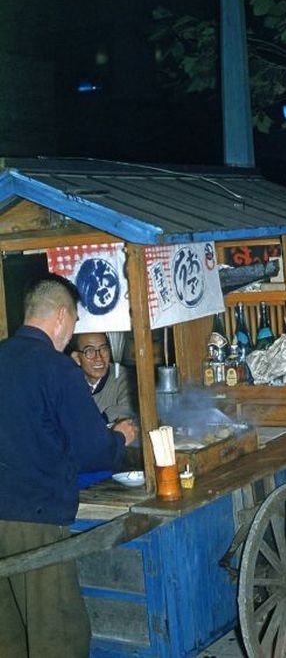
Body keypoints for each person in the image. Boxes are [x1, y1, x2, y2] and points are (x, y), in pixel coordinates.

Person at [0, 274, 137, 658]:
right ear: (61, 315)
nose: (70, 334)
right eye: (75, 323)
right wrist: (121, 437)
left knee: (8, 636)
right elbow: (93, 450)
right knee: (56, 634)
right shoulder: (58, 370)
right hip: (35, 521)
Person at [69, 332, 139, 425]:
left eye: (103, 349)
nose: (99, 358)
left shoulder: (123, 376)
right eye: (89, 351)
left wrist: (101, 419)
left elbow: (129, 407)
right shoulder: (69, 382)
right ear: (77, 358)